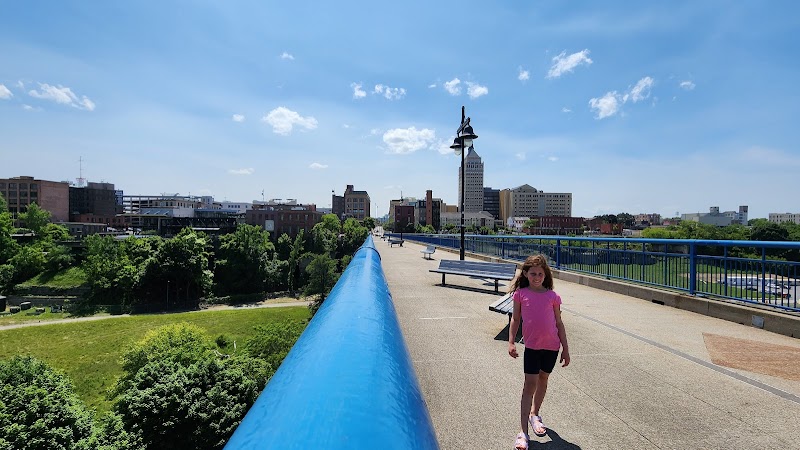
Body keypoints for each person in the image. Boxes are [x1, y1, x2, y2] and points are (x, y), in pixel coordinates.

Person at [508, 255, 570, 449]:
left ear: (545, 275)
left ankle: (535, 414)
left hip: (552, 346)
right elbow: (515, 320)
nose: (536, 277)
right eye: (533, 273)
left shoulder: (553, 296)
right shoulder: (520, 294)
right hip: (532, 347)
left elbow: (559, 323)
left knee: (544, 379)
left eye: (540, 274)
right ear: (525, 273)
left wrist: (566, 349)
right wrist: (511, 342)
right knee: (529, 385)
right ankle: (523, 432)